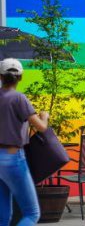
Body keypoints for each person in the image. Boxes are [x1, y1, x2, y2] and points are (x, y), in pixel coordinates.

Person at [0, 58, 49, 225]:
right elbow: (41, 127)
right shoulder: (19, 98)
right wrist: (45, 116)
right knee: (31, 213)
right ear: (20, 77)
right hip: (13, 158)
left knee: (3, 217)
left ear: (0, 76)